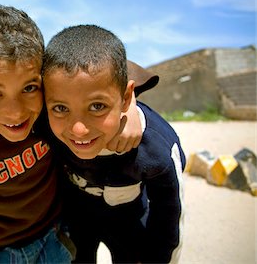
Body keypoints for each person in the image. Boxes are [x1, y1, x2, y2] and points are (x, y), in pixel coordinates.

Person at [0, 4, 158, 263]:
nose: (15, 112)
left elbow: (97, 67)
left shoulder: (48, 107)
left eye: (28, 88)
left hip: (56, 238)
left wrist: (131, 111)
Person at [42, 25, 186, 263]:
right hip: (75, 222)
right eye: (60, 108)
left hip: (129, 224)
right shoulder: (45, 125)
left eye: (97, 106)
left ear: (127, 97)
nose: (79, 129)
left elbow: (169, 219)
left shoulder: (154, 148)